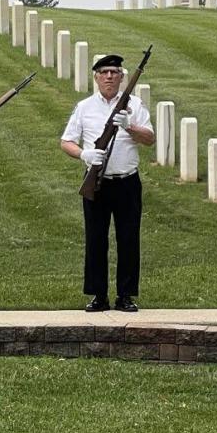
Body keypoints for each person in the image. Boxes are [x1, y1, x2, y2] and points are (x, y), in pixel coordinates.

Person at [61, 54, 154, 312]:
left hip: (127, 181)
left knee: (128, 238)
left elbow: (149, 139)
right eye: (104, 72)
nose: (109, 76)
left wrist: (129, 126)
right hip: (97, 182)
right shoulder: (85, 107)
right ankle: (98, 295)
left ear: (123, 77)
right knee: (96, 239)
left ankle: (125, 295)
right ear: (96, 77)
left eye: (114, 72)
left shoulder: (134, 105)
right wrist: (84, 154)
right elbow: (66, 141)